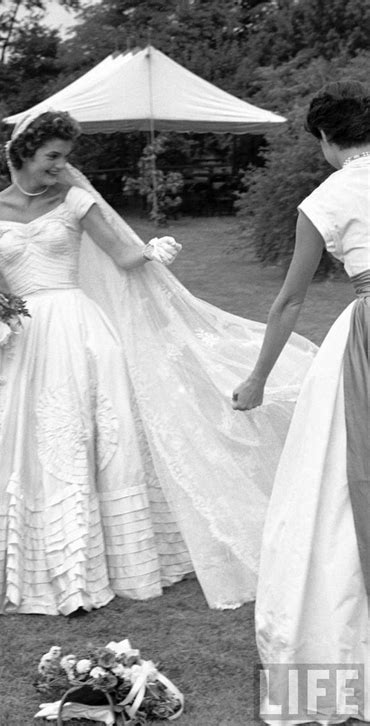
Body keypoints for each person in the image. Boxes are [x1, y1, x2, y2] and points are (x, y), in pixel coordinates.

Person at [0, 110, 316, 624]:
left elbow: (122, 255)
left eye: (66, 158)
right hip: (15, 332)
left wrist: (152, 251)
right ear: (23, 152)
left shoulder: (75, 200)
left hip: (75, 327)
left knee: (77, 432)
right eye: (53, 156)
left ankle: (94, 556)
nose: (61, 167)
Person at [232, 80, 370, 724]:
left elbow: (290, 300)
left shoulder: (325, 199)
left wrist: (258, 378)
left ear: (322, 137)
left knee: (338, 494)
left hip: (364, 339)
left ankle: (333, 674)